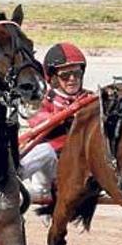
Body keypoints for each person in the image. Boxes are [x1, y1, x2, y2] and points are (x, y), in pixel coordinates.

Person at [20, 42, 94, 199]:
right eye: (65, 76)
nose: (72, 79)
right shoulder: (43, 99)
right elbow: (38, 122)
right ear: (53, 78)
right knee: (45, 151)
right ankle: (10, 182)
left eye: (77, 74)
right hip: (52, 170)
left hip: (82, 169)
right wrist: (67, 116)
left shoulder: (91, 99)